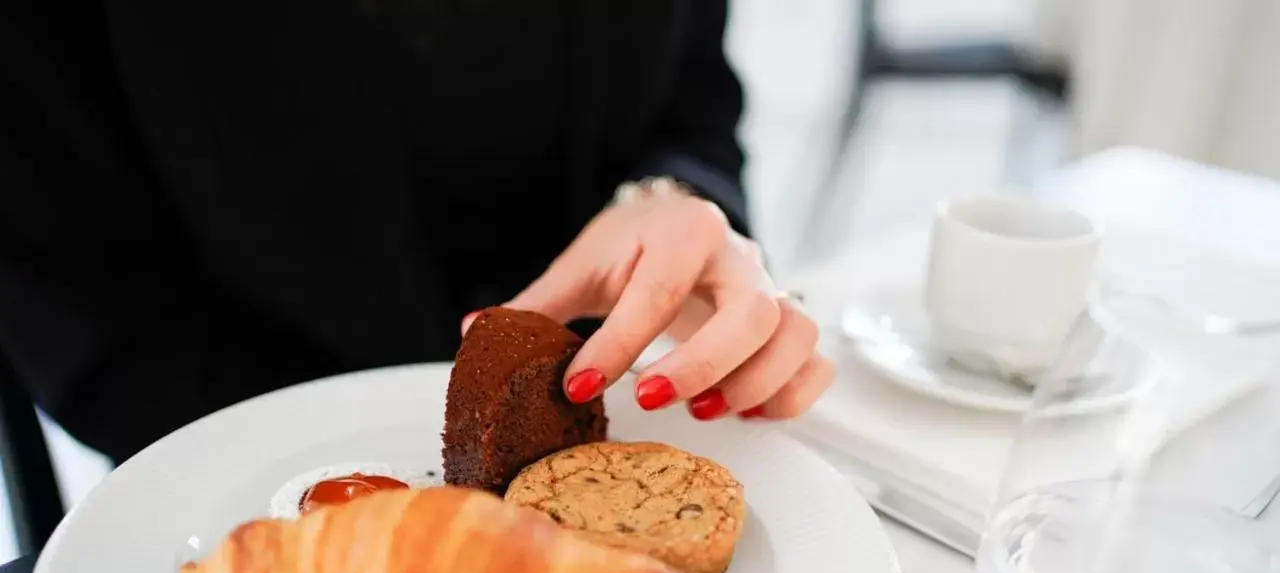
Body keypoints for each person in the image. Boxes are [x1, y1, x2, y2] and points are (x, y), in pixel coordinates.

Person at [0, 0, 832, 466]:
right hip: (240, 469)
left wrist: (672, 200)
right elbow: (79, 310)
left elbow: (690, 91)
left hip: (608, 432)